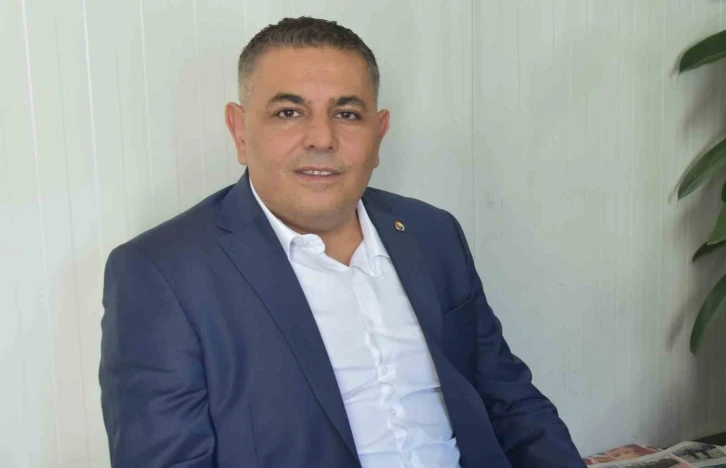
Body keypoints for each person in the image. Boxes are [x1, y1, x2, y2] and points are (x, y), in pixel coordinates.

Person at [99, 16, 584, 468]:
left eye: (347, 114)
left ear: (379, 133)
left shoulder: (432, 234)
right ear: (240, 130)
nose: (322, 138)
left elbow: (511, 402)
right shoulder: (162, 273)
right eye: (289, 112)